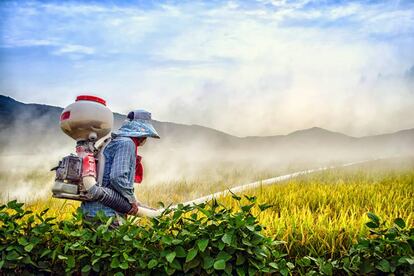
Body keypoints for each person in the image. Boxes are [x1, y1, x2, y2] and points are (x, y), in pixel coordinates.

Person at [81, 109, 160, 224]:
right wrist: (131, 200)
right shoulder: (126, 143)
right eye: (146, 135)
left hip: (90, 211)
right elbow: (117, 177)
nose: (146, 139)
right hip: (108, 215)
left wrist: (136, 202)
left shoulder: (111, 141)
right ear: (142, 133)